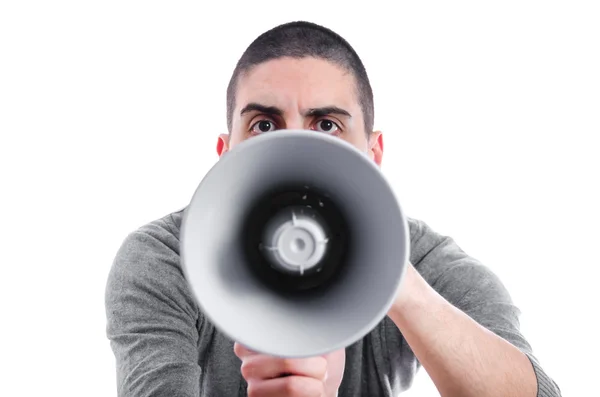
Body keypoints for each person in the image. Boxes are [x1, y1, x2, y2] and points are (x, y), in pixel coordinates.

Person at [105, 21, 561, 397]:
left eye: (327, 125)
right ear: (225, 152)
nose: (296, 148)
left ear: (373, 153)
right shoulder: (165, 258)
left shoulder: (422, 261)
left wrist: (396, 285)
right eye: (264, 125)